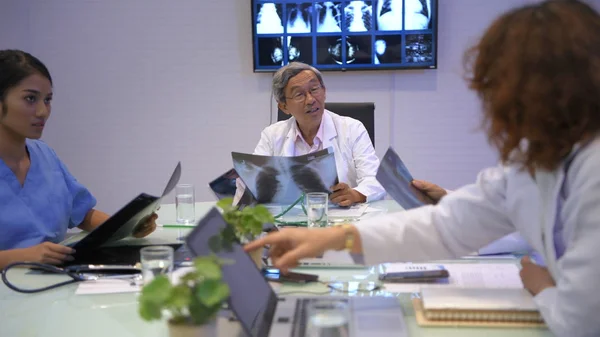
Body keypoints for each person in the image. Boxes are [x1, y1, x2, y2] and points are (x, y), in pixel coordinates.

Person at [245, 1, 600, 336]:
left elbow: (579, 319)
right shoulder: (538, 158)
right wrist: (332, 238)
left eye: (505, 93)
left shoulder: (592, 168)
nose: (497, 112)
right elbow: (447, 223)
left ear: (554, 91)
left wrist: (542, 285)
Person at [0, 50, 157, 269]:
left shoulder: (44, 155)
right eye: (30, 99)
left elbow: (82, 214)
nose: (43, 111)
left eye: (47, 100)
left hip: (52, 279)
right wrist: (22, 256)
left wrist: (127, 228)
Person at [235, 62, 386, 206]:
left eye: (314, 89)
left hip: (342, 221)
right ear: (283, 106)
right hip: (289, 221)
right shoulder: (272, 135)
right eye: (299, 94)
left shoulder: (352, 129)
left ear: (324, 91)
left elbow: (375, 180)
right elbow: (253, 182)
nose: (310, 100)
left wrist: (355, 194)